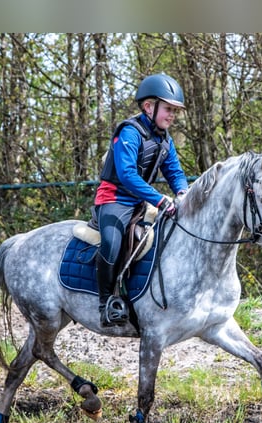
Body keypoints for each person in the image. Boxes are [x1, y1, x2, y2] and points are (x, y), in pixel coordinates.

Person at [93, 73, 189, 327]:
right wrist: (159, 200)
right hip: (114, 200)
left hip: (140, 203)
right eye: (168, 109)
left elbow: (175, 173)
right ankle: (105, 304)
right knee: (112, 244)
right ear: (149, 107)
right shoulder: (129, 132)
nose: (172, 115)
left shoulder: (165, 140)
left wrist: (182, 194)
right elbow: (126, 175)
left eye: (174, 111)